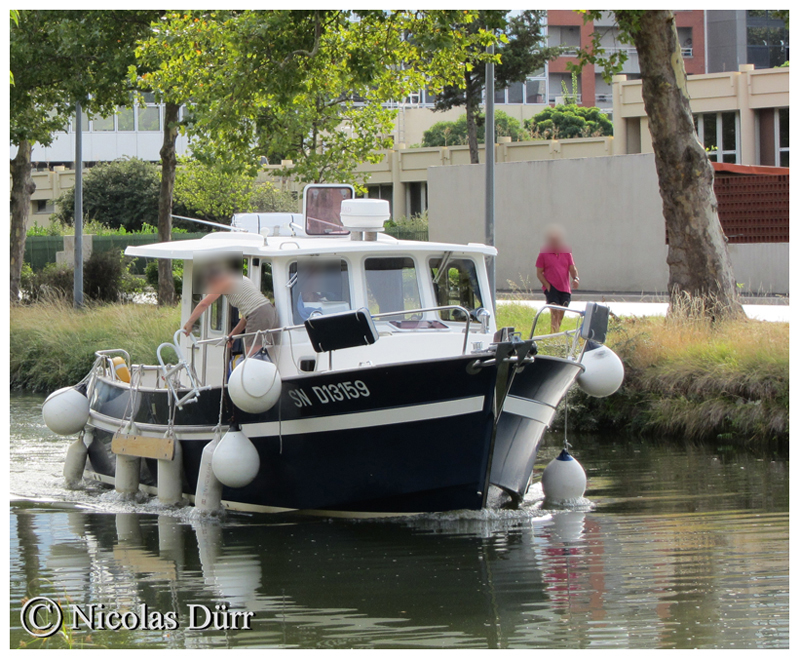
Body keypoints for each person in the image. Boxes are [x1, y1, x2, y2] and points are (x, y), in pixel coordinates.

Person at [183, 267, 278, 356]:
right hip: (268, 310)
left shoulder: (223, 281)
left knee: (253, 357)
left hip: (258, 315)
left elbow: (204, 304)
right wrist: (233, 335)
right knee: (261, 353)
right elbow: (247, 314)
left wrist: (189, 323)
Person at [535, 226, 580, 333]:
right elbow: (539, 273)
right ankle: (554, 334)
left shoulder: (566, 253)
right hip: (552, 288)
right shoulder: (543, 254)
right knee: (555, 311)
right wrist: (548, 286)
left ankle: (555, 332)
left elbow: (572, 268)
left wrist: (576, 278)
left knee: (561, 312)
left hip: (565, 288)